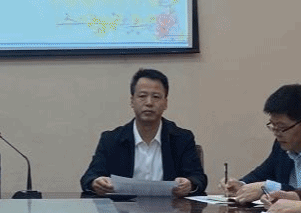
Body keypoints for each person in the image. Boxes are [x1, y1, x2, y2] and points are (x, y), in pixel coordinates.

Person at [80, 68, 207, 196]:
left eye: (156, 97)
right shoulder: (111, 140)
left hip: (171, 207)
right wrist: (96, 183)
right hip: (123, 208)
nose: (149, 103)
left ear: (165, 103)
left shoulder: (182, 138)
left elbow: (198, 178)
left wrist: (189, 184)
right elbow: (89, 177)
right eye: (142, 96)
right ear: (132, 101)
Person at [224, 84, 301, 203]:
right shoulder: (283, 144)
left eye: (282, 127)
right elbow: (262, 173)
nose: (277, 133)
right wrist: (241, 185)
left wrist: (268, 187)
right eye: (273, 125)